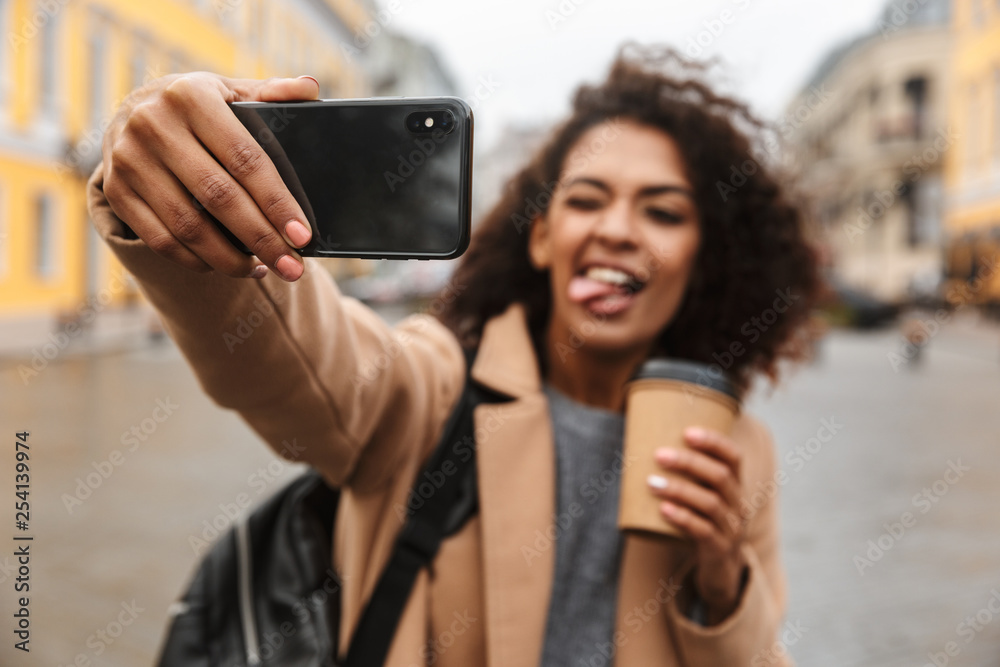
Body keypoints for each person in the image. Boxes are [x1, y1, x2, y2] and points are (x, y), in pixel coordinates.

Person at [90, 44, 818, 666]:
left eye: (663, 211)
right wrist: (181, 188)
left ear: (703, 258)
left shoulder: (734, 448)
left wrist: (724, 588)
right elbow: (302, 363)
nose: (619, 230)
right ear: (541, 237)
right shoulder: (437, 385)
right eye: (588, 199)